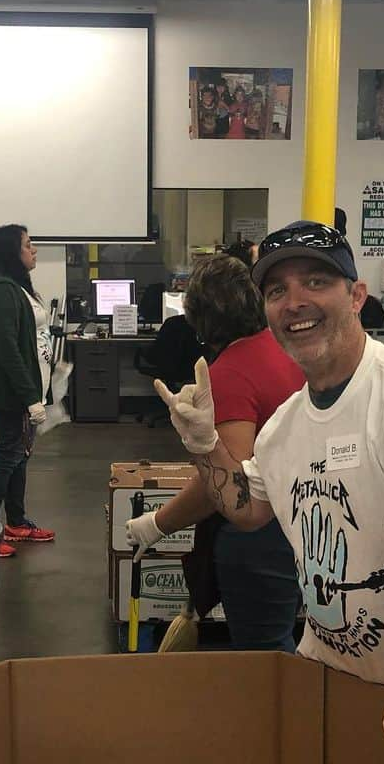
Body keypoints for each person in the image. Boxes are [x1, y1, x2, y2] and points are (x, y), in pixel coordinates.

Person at [154, 221, 384, 685]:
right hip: (328, 672)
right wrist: (204, 445)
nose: (295, 303)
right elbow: (248, 510)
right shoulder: (284, 426)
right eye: (277, 291)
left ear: (357, 296)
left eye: (316, 281)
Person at [125, 253, 305, 651]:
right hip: (297, 517)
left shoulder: (228, 374)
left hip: (258, 537)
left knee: (264, 653)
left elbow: (228, 486)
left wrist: (158, 523)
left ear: (198, 316)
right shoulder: (281, 349)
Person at [0, 223, 54, 559]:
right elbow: (6, 348)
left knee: (19, 456)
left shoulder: (17, 287)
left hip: (27, 389)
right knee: (8, 454)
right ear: (11, 252)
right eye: (28, 245)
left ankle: (16, 521)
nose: (34, 251)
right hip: (11, 392)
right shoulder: (0, 290)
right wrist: (30, 397)